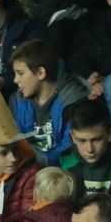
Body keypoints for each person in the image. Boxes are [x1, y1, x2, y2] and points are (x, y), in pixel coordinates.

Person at [9, 39, 88, 168]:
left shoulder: (74, 100)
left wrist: (36, 157)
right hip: (29, 169)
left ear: (41, 73)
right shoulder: (17, 101)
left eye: (20, 74)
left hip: (65, 171)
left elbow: (71, 147)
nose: (15, 80)